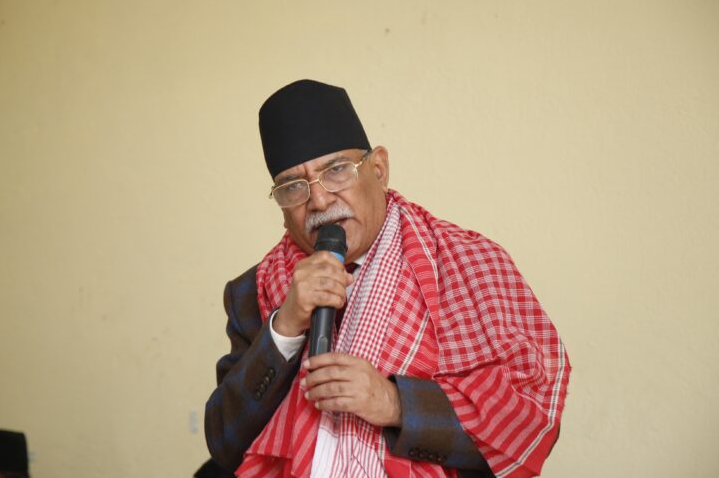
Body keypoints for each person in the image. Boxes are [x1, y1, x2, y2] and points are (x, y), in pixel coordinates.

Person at [202, 79, 570, 478]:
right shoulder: (254, 290)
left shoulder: (468, 264)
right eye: (294, 187)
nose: (320, 201)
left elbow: (529, 427)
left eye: (336, 171)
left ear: (378, 170)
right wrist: (286, 327)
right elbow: (224, 443)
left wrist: (394, 402)